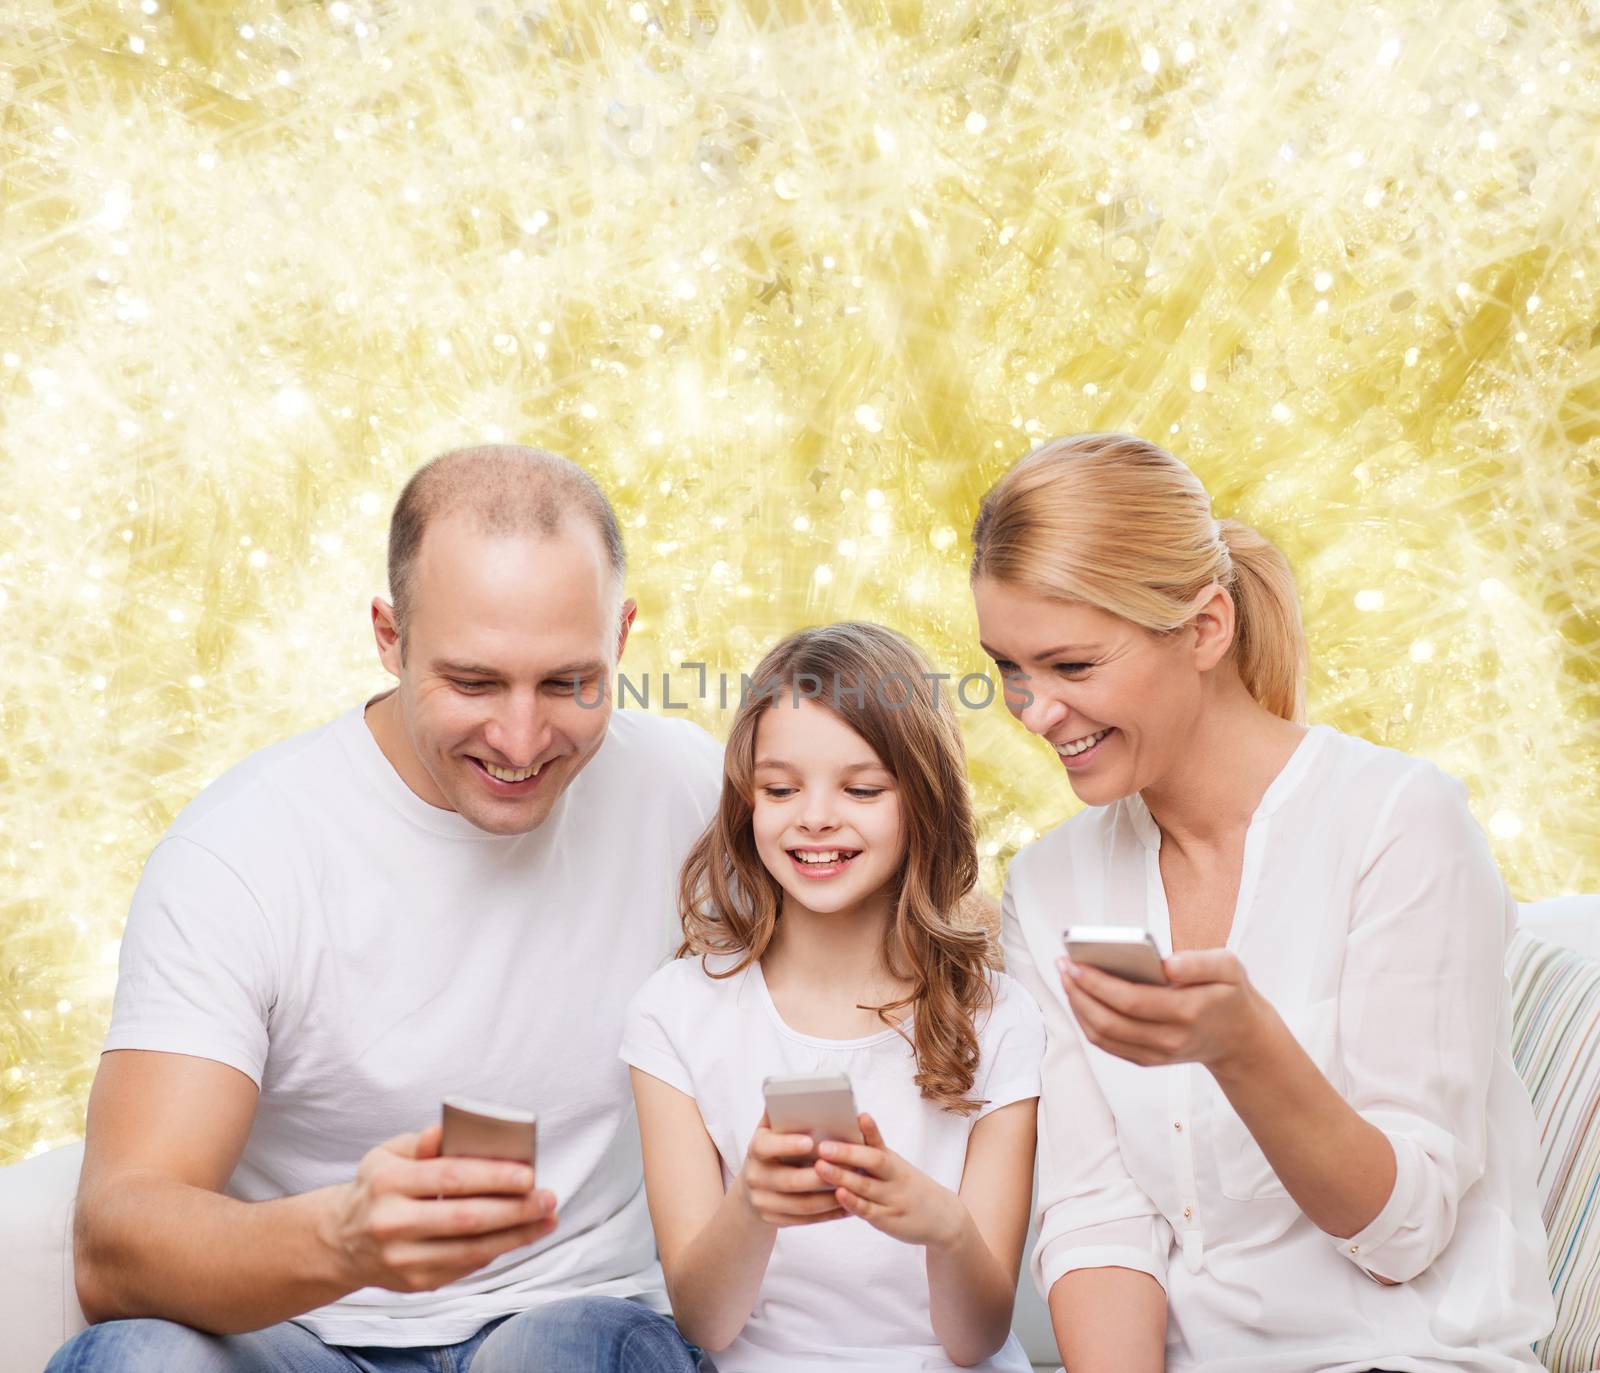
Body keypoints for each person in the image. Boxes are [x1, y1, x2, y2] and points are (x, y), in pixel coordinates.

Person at [48, 446, 723, 1372]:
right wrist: (345, 1240)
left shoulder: (689, 790)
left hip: (570, 1320)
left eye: (569, 682)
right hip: (301, 1336)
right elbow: (114, 1243)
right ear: (389, 636)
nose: (522, 740)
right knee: (133, 1358)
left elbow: (882, 948)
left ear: (621, 638)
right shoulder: (243, 851)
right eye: (474, 683)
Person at [970, 433, 1554, 1372]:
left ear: (1206, 628)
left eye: (1072, 667)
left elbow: (1404, 1232)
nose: (1036, 712)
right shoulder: (1050, 885)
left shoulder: (1399, 823)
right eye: (1010, 669)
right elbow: (1097, 1220)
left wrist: (1243, 1047)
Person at [619, 622, 1045, 1372]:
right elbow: (705, 1321)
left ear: (924, 802)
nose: (814, 815)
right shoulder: (677, 1011)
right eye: (781, 788)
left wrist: (944, 1227)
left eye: (861, 788)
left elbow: (975, 1337)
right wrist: (752, 1203)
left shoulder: (999, 1017)